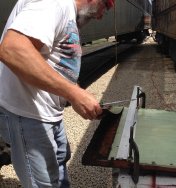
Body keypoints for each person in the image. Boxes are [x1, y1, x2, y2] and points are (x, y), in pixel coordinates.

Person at [0, 0, 115, 187]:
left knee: (60, 161)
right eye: (106, 6)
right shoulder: (55, 3)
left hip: (47, 112)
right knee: (43, 182)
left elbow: (56, 62)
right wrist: (74, 94)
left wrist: (77, 92)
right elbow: (13, 49)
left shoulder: (66, 11)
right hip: (27, 112)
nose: (101, 15)